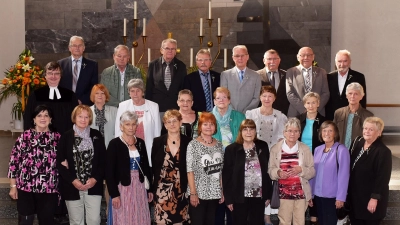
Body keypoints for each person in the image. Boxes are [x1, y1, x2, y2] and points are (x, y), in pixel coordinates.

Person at [8, 105, 61, 225]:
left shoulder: (58, 138)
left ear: (51, 119)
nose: (43, 118)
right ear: (34, 119)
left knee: (46, 221)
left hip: (49, 188)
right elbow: (13, 163)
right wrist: (13, 186)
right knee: (25, 222)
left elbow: (64, 161)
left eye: (46, 115)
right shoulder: (24, 137)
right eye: (39, 115)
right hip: (26, 187)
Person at [57, 105, 106, 225]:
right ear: (74, 117)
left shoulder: (96, 135)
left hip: (93, 185)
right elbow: (60, 163)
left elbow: (103, 161)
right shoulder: (66, 137)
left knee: (94, 220)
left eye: (86, 117)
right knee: (76, 221)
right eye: (80, 116)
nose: (83, 120)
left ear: (90, 118)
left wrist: (95, 179)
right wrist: (73, 180)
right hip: (72, 186)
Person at [245, 85, 287, 225]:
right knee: (257, 182)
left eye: (270, 96)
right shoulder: (251, 114)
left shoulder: (280, 116)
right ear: (260, 97)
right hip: (255, 153)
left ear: (274, 98)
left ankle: (267, 215)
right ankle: (256, 212)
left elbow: (283, 137)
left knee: (269, 183)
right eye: (264, 95)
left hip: (273, 153)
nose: (267, 99)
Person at [106, 111, 152, 224]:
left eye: (133, 124)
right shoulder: (114, 144)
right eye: (127, 124)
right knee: (124, 216)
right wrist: (114, 194)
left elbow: (146, 167)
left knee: (140, 216)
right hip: (122, 187)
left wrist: (150, 189)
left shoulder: (140, 143)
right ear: (121, 126)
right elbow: (109, 172)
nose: (131, 127)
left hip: (140, 187)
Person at [222, 119, 272, 225]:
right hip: (239, 197)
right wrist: (229, 199)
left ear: (255, 131)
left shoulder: (263, 146)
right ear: (241, 132)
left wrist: (268, 194)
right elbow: (227, 176)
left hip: (258, 196)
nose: (248, 132)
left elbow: (267, 171)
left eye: (251, 129)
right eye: (245, 129)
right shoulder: (231, 149)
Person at [268, 118, 316, 225]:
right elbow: (270, 170)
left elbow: (312, 171)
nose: (292, 134)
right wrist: (278, 173)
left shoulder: (305, 149)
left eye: (296, 131)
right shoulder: (275, 149)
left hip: (301, 194)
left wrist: (301, 170)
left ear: (299, 133)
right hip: (283, 194)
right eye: (289, 130)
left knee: (299, 222)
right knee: (284, 222)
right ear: (284, 132)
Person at [348, 117, 392, 225]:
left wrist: (374, 198)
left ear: (379, 132)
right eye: (365, 128)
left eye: (371, 129)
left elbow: (382, 178)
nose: (366, 131)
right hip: (355, 197)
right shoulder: (357, 142)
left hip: (370, 199)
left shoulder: (383, 151)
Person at [210, 87, 244, 225]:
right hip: (213, 163)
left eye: (224, 97)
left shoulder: (239, 116)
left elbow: (244, 139)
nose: (221, 100)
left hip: (234, 163)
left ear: (229, 100)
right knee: (217, 205)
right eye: (218, 98)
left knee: (233, 205)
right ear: (214, 100)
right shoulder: (207, 117)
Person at [151, 109, 191, 224]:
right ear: (165, 125)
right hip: (162, 190)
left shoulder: (189, 142)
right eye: (169, 122)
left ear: (180, 122)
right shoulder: (158, 142)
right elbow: (154, 166)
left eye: (175, 121)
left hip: (182, 190)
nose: (172, 124)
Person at [309, 121, 350, 225]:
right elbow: (313, 173)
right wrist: (310, 194)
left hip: (332, 197)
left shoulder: (341, 150)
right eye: (324, 130)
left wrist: (341, 197)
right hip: (317, 195)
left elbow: (344, 175)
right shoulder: (318, 149)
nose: (326, 133)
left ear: (335, 133)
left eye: (330, 131)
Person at [187, 112, 224, 225]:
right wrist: (193, 193)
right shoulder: (193, 144)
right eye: (205, 124)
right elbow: (190, 170)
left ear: (215, 127)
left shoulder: (219, 145)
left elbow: (220, 171)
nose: (209, 127)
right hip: (198, 193)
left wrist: (221, 190)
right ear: (200, 126)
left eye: (212, 124)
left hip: (214, 192)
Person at [115, 79, 161, 167]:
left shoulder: (154, 106)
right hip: (128, 147)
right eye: (132, 91)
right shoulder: (122, 106)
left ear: (143, 92)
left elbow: (157, 131)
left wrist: (156, 151)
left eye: (138, 91)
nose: (135, 94)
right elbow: (118, 129)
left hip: (148, 148)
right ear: (129, 93)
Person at [23, 61, 79, 134]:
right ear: (45, 75)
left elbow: (77, 117)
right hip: (41, 138)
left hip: (65, 137)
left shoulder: (70, 95)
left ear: (60, 76)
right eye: (50, 73)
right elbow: (28, 117)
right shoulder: (36, 95)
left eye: (56, 73)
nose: (53, 76)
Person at [146, 38, 187, 117]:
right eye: (167, 48)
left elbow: (183, 88)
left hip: (175, 108)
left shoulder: (181, 66)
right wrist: (148, 107)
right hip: (157, 108)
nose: (170, 51)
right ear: (161, 50)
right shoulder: (153, 65)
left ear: (175, 52)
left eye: (173, 49)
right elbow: (149, 87)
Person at [286, 47, 330, 117]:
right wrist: (303, 109)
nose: (306, 58)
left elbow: (325, 93)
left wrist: (314, 109)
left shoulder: (322, 72)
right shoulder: (290, 72)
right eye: (303, 55)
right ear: (298, 57)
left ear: (313, 57)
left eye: (309, 55)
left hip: (317, 113)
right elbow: (290, 93)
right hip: (296, 113)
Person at [326, 50, 367, 120]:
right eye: (339, 61)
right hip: (331, 117)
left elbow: (362, 98)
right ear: (335, 62)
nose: (342, 64)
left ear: (350, 62)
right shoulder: (328, 77)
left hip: (352, 116)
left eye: (345, 61)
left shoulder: (358, 77)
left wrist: (360, 117)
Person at [58, 36, 98, 105]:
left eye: (80, 45)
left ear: (84, 48)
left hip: (84, 104)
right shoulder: (60, 64)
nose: (77, 48)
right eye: (74, 45)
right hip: (65, 103)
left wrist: (82, 100)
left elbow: (94, 86)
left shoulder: (92, 65)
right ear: (69, 48)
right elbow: (58, 84)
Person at [220, 45, 261, 113]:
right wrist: (234, 112)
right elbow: (224, 96)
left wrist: (246, 111)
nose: (240, 58)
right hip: (230, 113)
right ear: (233, 58)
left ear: (247, 57)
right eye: (237, 56)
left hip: (249, 114)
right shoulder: (225, 75)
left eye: (243, 55)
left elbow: (256, 98)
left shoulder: (256, 76)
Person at [333, 82, 373, 149]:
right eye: (350, 93)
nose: (352, 96)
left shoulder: (368, 116)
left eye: (356, 94)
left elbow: (371, 137)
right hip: (340, 150)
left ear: (361, 96)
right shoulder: (338, 113)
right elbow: (333, 133)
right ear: (346, 96)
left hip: (358, 151)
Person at [256, 49, 290, 115]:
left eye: (275, 59)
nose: (272, 61)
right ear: (264, 61)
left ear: (279, 60)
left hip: (282, 113)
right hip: (262, 114)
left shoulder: (287, 75)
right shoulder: (256, 75)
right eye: (269, 59)